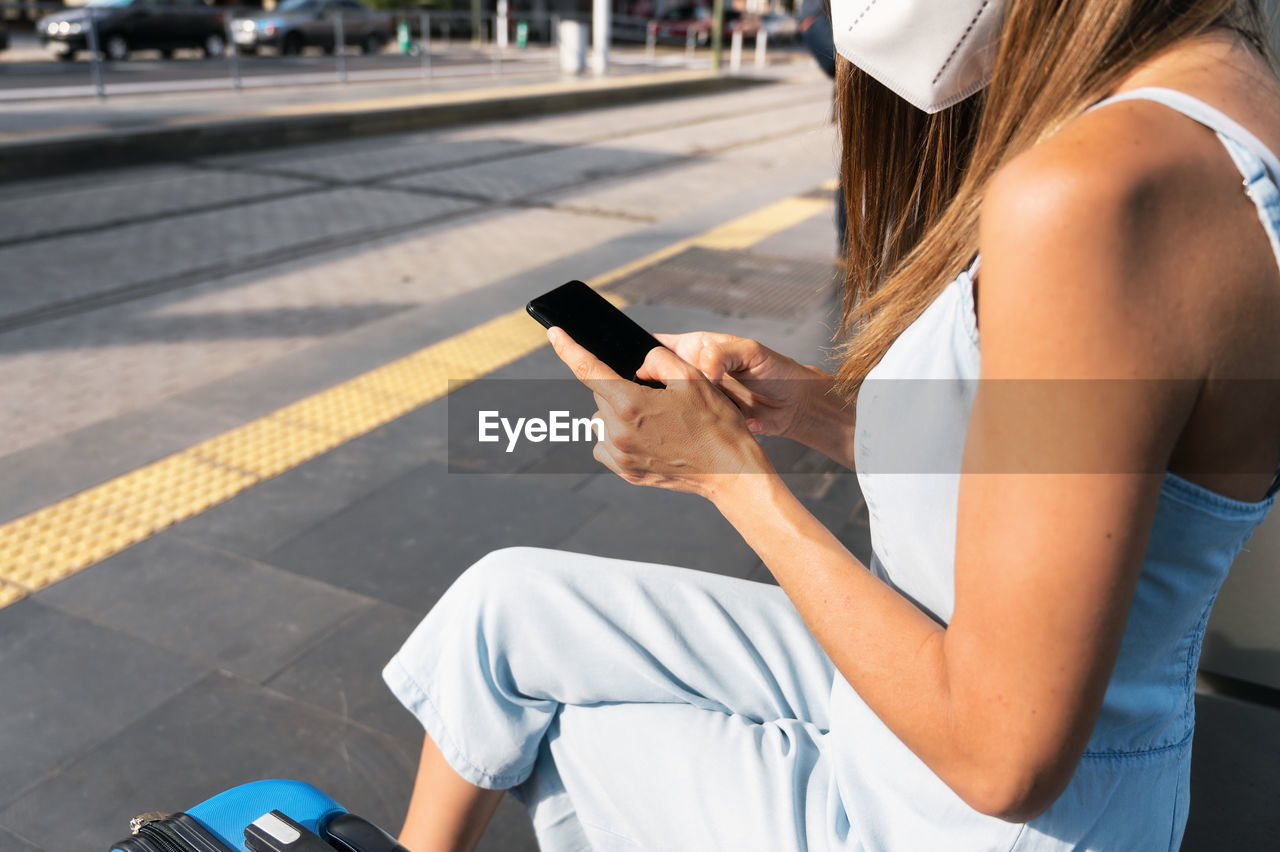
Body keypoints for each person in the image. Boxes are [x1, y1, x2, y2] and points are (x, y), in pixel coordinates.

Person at [382, 1, 1280, 849]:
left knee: (566, 731)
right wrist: (807, 407)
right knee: (505, 609)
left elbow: (1003, 756)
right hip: (925, 703)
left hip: (956, 816)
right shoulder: (1215, 107)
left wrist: (722, 472)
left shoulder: (1095, 192)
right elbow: (1050, 482)